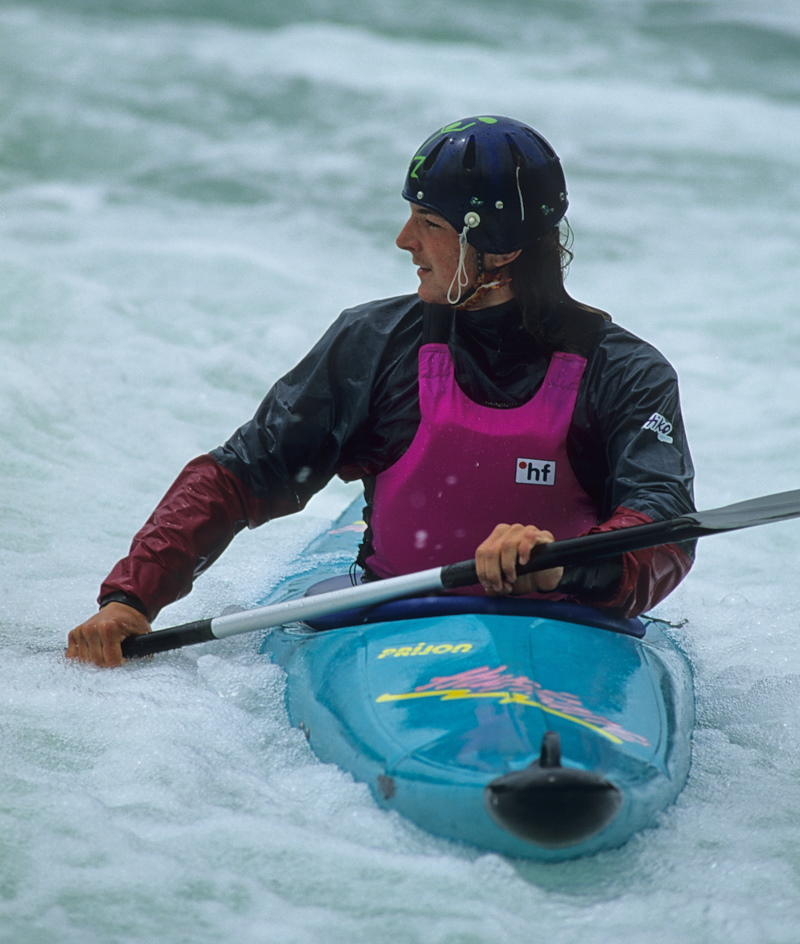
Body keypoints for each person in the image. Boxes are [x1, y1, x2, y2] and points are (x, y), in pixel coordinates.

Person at [67, 115, 695, 668]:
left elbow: (662, 522)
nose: (404, 240)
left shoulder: (625, 373)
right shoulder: (374, 344)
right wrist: (131, 598)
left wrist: (564, 562)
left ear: (498, 250)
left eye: (427, 222)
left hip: (566, 628)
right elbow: (240, 476)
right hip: (399, 626)